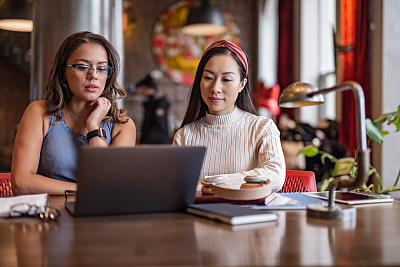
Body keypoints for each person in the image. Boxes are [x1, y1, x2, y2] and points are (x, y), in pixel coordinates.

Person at [11, 31, 136, 195]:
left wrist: (93, 128)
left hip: (98, 217)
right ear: (64, 72)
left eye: (102, 68)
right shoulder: (39, 113)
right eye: (83, 67)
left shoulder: (122, 126)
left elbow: (111, 185)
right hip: (48, 216)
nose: (93, 75)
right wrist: (84, 190)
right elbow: (21, 183)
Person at [172, 40, 286, 191]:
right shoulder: (185, 135)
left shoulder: (262, 128)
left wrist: (212, 183)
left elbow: (275, 176)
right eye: (208, 78)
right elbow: (176, 186)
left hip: (247, 213)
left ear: (241, 84)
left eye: (226, 79)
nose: (215, 88)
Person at [135, 74, 170, 144]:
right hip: (150, 139)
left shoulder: (160, 102)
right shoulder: (150, 101)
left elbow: (158, 123)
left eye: (142, 89)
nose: (140, 92)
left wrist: (147, 141)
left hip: (157, 141)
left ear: (147, 88)